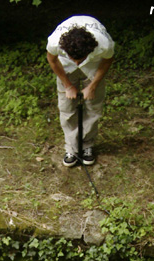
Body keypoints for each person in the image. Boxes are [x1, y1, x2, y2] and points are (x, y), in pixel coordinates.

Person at [46, 16, 114, 167]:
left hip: (93, 67)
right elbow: (52, 60)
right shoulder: (55, 42)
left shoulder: (104, 44)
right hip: (65, 68)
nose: (77, 63)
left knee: (93, 107)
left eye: (81, 59)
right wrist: (68, 85)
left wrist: (93, 85)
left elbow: (107, 61)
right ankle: (72, 148)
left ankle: (87, 146)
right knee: (66, 107)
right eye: (74, 59)